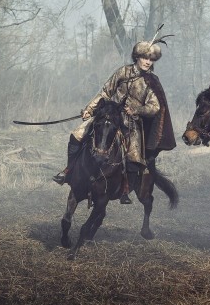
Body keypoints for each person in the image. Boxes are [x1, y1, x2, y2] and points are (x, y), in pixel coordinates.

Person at [53, 35, 176, 204]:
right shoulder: (123, 72)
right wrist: (90, 109)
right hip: (109, 114)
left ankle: (125, 188)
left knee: (134, 155)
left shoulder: (152, 81)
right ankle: (68, 170)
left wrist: (136, 109)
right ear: (137, 57)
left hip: (131, 123)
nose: (148, 62)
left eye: (151, 59)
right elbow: (106, 91)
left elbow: (154, 107)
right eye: (145, 58)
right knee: (77, 134)